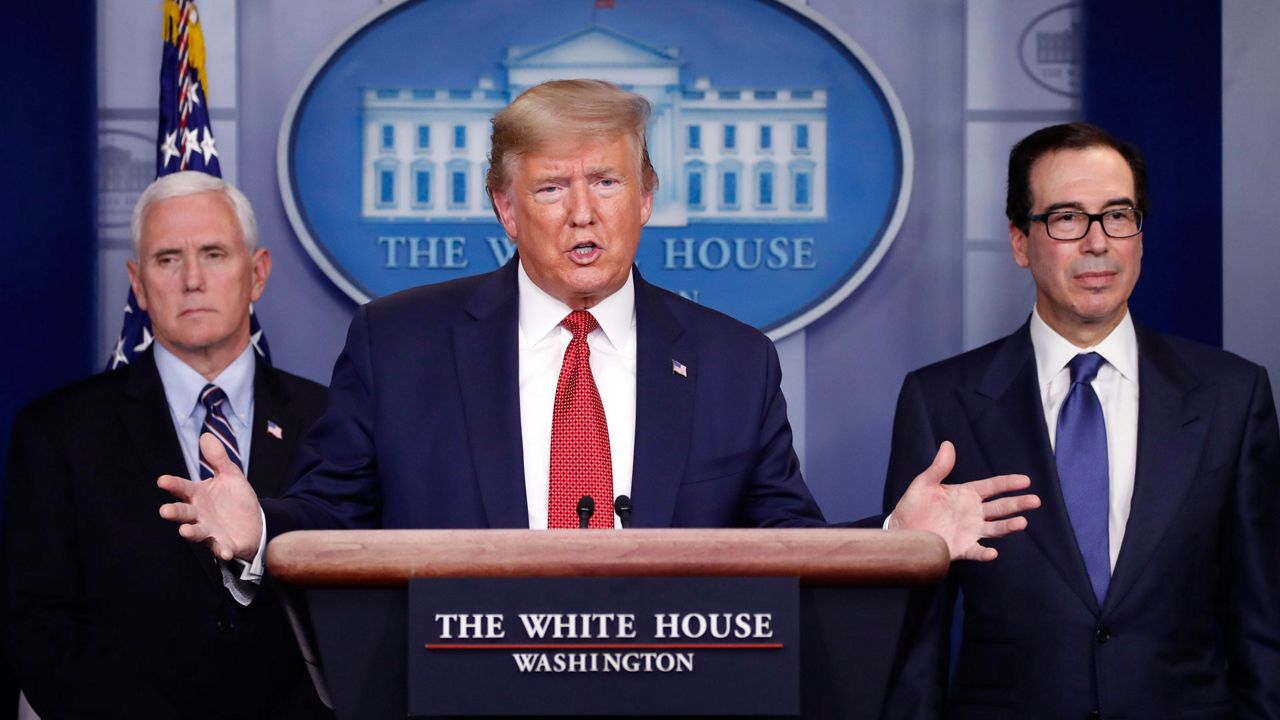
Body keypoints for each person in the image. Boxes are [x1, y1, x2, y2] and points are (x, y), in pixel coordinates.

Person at [157, 79, 1037, 577]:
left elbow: (785, 546)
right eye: (551, 189)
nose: (584, 216)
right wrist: (261, 528)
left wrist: (898, 541)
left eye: (608, 185)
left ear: (646, 197)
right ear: (504, 207)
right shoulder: (401, 342)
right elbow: (332, 518)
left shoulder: (733, 360)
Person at [881, 123, 1280, 718]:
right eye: (1067, 218)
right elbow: (914, 649)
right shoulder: (942, 400)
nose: (1098, 242)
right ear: (1020, 241)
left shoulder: (1232, 394)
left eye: (1118, 215)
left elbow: (1262, 622)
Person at [4, 172, 331, 718]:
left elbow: (368, 606)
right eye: (167, 259)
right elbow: (39, 622)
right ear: (138, 282)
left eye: (214, 253)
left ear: (258, 274)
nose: (192, 280)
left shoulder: (332, 419)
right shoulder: (56, 432)